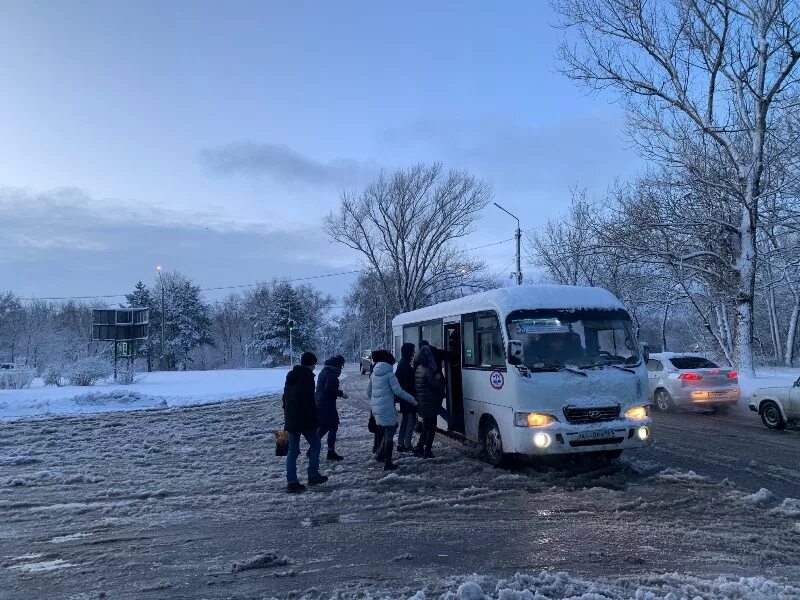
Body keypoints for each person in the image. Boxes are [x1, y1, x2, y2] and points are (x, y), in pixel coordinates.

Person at [282, 352, 328, 493]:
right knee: (315, 444)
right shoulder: (307, 378)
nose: (315, 367)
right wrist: (315, 420)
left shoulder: (290, 375)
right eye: (314, 364)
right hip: (304, 420)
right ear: (311, 364)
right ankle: (312, 474)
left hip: (290, 418)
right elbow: (309, 402)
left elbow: (285, 398)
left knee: (292, 451)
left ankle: (292, 481)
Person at [368, 349, 416, 471]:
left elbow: (368, 392)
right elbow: (398, 391)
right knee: (389, 434)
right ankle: (388, 463)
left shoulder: (374, 374)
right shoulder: (390, 375)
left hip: (376, 409)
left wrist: (376, 401)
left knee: (383, 432)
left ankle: (380, 455)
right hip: (387, 409)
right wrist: (413, 400)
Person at [414, 345, 445, 459]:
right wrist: (439, 378)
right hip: (430, 402)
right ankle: (427, 451)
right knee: (431, 427)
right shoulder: (427, 370)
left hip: (423, 402)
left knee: (426, 427)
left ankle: (419, 448)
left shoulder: (418, 368)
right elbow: (435, 384)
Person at [315, 354, 348, 461]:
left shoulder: (324, 371)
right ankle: (330, 452)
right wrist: (341, 394)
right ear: (338, 364)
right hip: (327, 404)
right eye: (341, 366)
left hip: (320, 403)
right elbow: (329, 389)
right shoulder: (331, 373)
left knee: (324, 427)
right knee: (333, 426)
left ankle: (312, 448)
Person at [394, 343, 417, 452]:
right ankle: (407, 444)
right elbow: (409, 385)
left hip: (405, 398)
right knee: (410, 421)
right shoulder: (406, 366)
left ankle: (400, 443)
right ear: (409, 352)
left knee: (405, 421)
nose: (414, 352)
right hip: (408, 398)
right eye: (413, 350)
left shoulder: (402, 363)